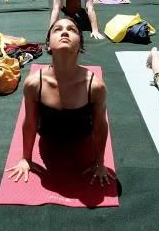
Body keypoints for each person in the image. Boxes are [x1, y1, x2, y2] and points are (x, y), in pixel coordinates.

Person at [6, 18, 115, 185]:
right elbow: (29, 122)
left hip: (82, 138)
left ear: (80, 45)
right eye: (57, 29)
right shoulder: (34, 83)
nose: (65, 32)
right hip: (48, 139)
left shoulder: (95, 86)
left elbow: (100, 125)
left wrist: (100, 162)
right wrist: (26, 158)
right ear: (48, 45)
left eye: (72, 29)